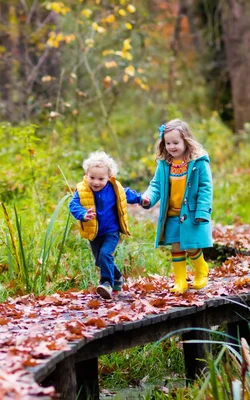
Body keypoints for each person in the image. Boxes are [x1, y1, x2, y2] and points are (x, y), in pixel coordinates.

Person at [141, 119, 213, 294]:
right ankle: (180, 281)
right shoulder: (165, 165)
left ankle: (202, 269)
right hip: (172, 213)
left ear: (186, 141)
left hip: (192, 212)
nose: (171, 147)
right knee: (176, 247)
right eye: (167, 143)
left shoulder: (198, 162)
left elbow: (206, 188)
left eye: (175, 142)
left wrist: (203, 211)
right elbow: (156, 184)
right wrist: (148, 197)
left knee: (192, 245)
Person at [69, 151, 143, 299]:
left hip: (111, 231)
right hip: (94, 232)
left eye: (101, 179)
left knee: (105, 254)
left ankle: (107, 283)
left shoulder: (114, 188)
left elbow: (127, 194)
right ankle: (117, 277)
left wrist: (141, 199)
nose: (96, 182)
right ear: (86, 174)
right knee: (100, 260)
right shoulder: (82, 190)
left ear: (109, 177)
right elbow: (73, 204)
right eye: (92, 178)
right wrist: (83, 214)